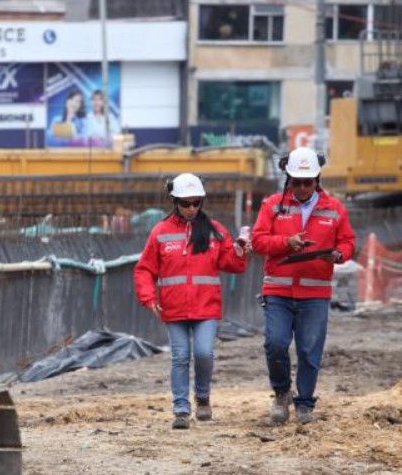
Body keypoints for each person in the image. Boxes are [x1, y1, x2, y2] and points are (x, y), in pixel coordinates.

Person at [134, 173, 249, 429]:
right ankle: (181, 410)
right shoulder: (160, 232)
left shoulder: (215, 231)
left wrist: (241, 250)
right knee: (180, 356)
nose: (191, 208)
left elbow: (232, 264)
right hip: (173, 309)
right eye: (186, 203)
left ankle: (202, 395)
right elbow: (144, 269)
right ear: (175, 201)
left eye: (196, 203)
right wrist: (148, 298)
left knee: (204, 353)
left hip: (206, 307)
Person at [251, 146, 356, 425]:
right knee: (275, 344)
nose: (301, 188)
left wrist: (339, 254)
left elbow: (347, 242)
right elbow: (258, 241)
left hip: (315, 293)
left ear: (317, 180)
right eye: (296, 182)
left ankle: (305, 403)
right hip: (278, 290)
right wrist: (286, 242)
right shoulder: (273, 205)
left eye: (306, 182)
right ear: (288, 178)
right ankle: (282, 393)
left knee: (309, 349)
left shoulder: (334, 209)